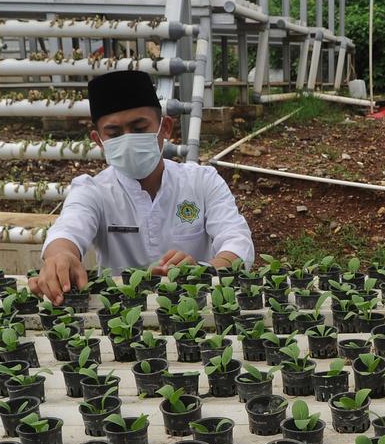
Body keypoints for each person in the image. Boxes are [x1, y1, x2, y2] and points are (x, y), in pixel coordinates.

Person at [30, 69, 255, 303]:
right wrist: (60, 256)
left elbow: (236, 240)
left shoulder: (202, 181)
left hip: (198, 305)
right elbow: (69, 229)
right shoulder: (92, 191)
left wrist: (206, 272)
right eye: (114, 133)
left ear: (165, 128)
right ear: (99, 141)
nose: (128, 139)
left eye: (139, 129)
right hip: (123, 313)